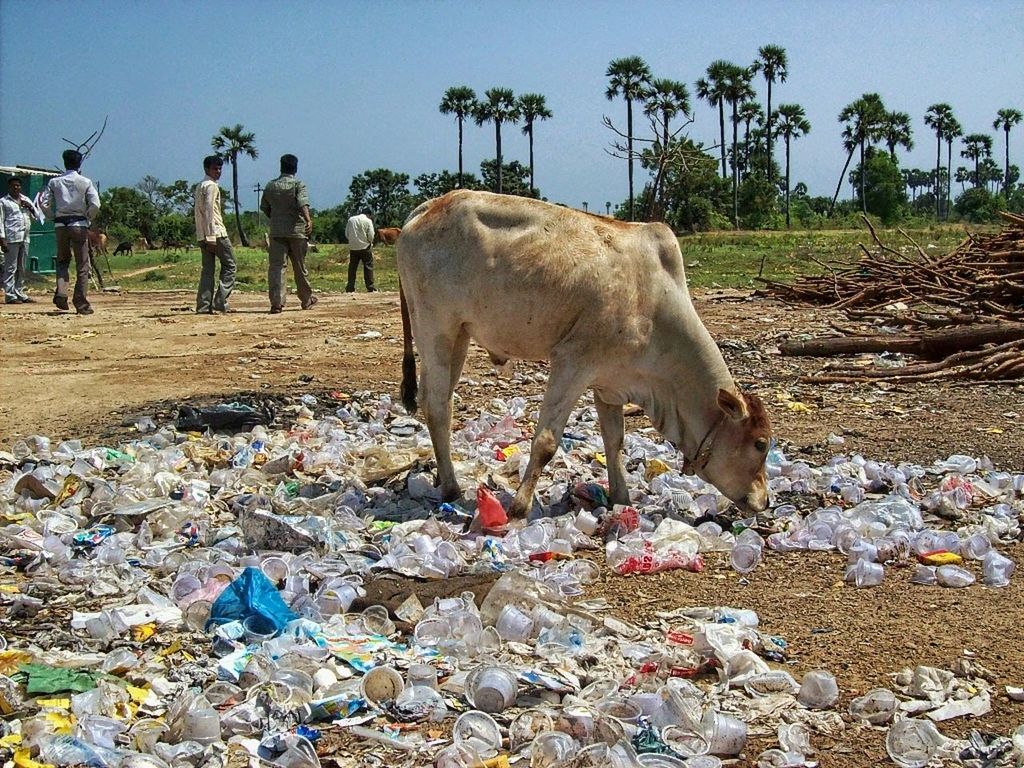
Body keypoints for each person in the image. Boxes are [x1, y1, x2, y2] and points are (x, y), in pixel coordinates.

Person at [39, 149, 100, 314]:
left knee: (62, 261)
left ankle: (61, 292)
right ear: (79, 164)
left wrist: (53, 216)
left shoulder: (54, 182)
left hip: (60, 225)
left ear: (65, 163)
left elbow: (43, 203)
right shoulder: (85, 182)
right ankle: (81, 303)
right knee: (82, 265)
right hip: (79, 224)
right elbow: (95, 204)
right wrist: (88, 217)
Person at [260, 154, 315, 313]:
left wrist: (275, 217)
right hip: (297, 231)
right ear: (295, 168)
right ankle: (306, 300)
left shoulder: (271, 186)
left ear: (281, 167)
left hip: (277, 231)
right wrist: (308, 220)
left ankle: (277, 303)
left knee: (277, 267)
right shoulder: (298, 184)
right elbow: (302, 202)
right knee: (300, 267)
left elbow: (264, 207)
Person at [193, 155, 236, 313]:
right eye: (215, 168)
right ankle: (219, 301)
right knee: (230, 265)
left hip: (202, 233)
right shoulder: (211, 186)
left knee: (208, 270)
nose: (218, 172)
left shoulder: (200, 186)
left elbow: (199, 213)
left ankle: (203, 305)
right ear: (206, 169)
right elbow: (209, 211)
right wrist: (211, 237)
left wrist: (203, 235)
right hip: (216, 233)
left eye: (220, 168)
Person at [0, 177, 41, 304]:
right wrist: (2, 238)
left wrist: (30, 207)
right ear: (9, 187)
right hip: (11, 237)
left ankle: (20, 292)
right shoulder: (3, 202)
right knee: (10, 267)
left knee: (21, 267)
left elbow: (37, 217)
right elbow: (0, 220)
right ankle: (10, 294)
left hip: (25, 237)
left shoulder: (25, 199)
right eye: (13, 186)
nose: (16, 188)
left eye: (18, 185)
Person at [345, 209, 377, 292]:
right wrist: (370, 242)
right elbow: (371, 235)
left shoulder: (351, 219)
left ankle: (350, 287)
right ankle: (370, 287)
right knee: (368, 266)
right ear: (369, 214)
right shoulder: (368, 221)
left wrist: (352, 241)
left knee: (352, 267)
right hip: (365, 247)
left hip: (353, 247)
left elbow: (346, 234)